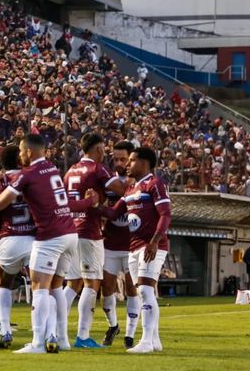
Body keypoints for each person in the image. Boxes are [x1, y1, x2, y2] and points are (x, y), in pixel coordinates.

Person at [0, 134, 98, 354]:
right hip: (70, 235)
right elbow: (65, 202)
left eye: (21, 150)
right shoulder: (53, 169)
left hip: (47, 237)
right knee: (56, 287)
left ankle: (37, 342)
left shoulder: (27, 175)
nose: (20, 154)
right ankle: (61, 338)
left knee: (39, 289)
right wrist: (88, 202)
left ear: (28, 152)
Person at [105, 147, 172, 354]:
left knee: (143, 290)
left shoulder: (155, 184)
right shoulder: (130, 189)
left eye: (131, 160)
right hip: (133, 247)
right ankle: (155, 340)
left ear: (143, 163)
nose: (127, 164)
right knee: (146, 292)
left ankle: (145, 341)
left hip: (152, 246)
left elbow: (165, 214)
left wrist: (154, 241)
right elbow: (114, 214)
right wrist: (92, 204)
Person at [62, 133, 126, 349]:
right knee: (92, 283)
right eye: (103, 150)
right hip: (89, 231)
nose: (105, 153)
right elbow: (121, 189)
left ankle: (56, 330)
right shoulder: (97, 169)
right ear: (98, 149)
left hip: (70, 230)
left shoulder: (70, 171)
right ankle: (82, 336)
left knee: (72, 284)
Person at [0, 145, 35, 350]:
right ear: (20, 159)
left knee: (3, 283)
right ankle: (45, 333)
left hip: (8, 238)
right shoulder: (31, 177)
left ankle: (5, 329)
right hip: (33, 239)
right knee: (42, 286)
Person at [101, 141, 140, 348]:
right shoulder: (107, 181)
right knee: (106, 289)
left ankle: (129, 335)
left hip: (132, 244)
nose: (119, 162)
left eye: (123, 159)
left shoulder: (142, 182)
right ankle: (113, 326)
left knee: (132, 289)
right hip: (110, 243)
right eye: (115, 159)